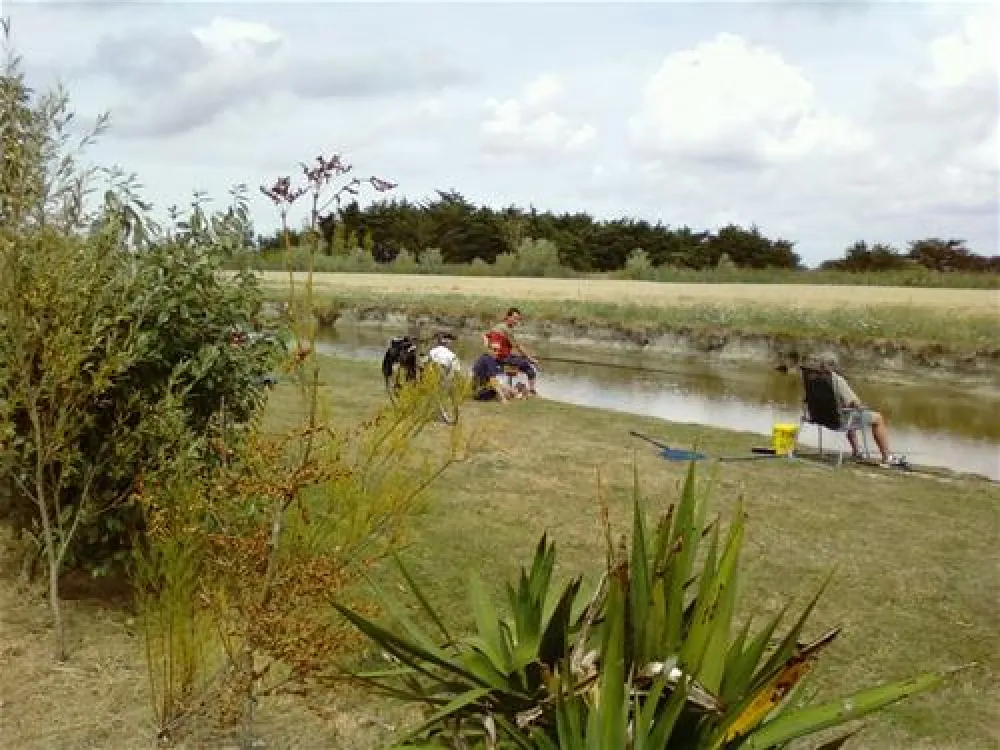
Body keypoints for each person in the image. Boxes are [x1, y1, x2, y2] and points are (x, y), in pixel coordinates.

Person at [817, 352, 904, 467]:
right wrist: (862, 406)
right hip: (838, 420)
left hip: (820, 417)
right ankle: (887, 457)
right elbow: (855, 403)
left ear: (821, 365)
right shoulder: (837, 380)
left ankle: (857, 452)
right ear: (833, 365)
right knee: (878, 418)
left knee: (847, 411)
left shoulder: (814, 379)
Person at [483, 307, 539, 395]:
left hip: (500, 357)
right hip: (502, 358)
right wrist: (530, 358)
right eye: (514, 318)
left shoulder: (498, 326)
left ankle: (525, 389)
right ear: (508, 317)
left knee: (525, 363)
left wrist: (487, 344)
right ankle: (531, 391)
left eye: (518, 319)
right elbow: (518, 347)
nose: (516, 321)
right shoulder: (506, 329)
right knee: (528, 364)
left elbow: (485, 335)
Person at [470, 338, 521, 402]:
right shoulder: (488, 359)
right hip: (480, 393)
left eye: (498, 350)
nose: (497, 352)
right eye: (494, 350)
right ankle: (514, 393)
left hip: (476, 391)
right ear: (489, 349)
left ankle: (515, 392)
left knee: (506, 388)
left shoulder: (484, 357)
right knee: (505, 390)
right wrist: (503, 398)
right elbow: (493, 381)